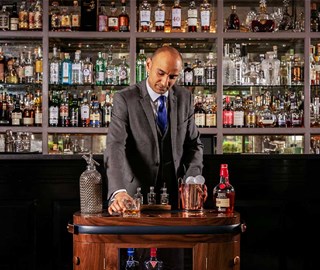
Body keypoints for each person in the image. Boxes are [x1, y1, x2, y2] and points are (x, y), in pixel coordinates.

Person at [104, 45, 204, 215]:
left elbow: (194, 145)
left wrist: (192, 181)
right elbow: (115, 145)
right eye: (161, 73)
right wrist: (118, 191)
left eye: (173, 77)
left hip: (175, 199)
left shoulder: (184, 98)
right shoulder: (126, 98)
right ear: (148, 65)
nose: (165, 83)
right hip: (134, 198)